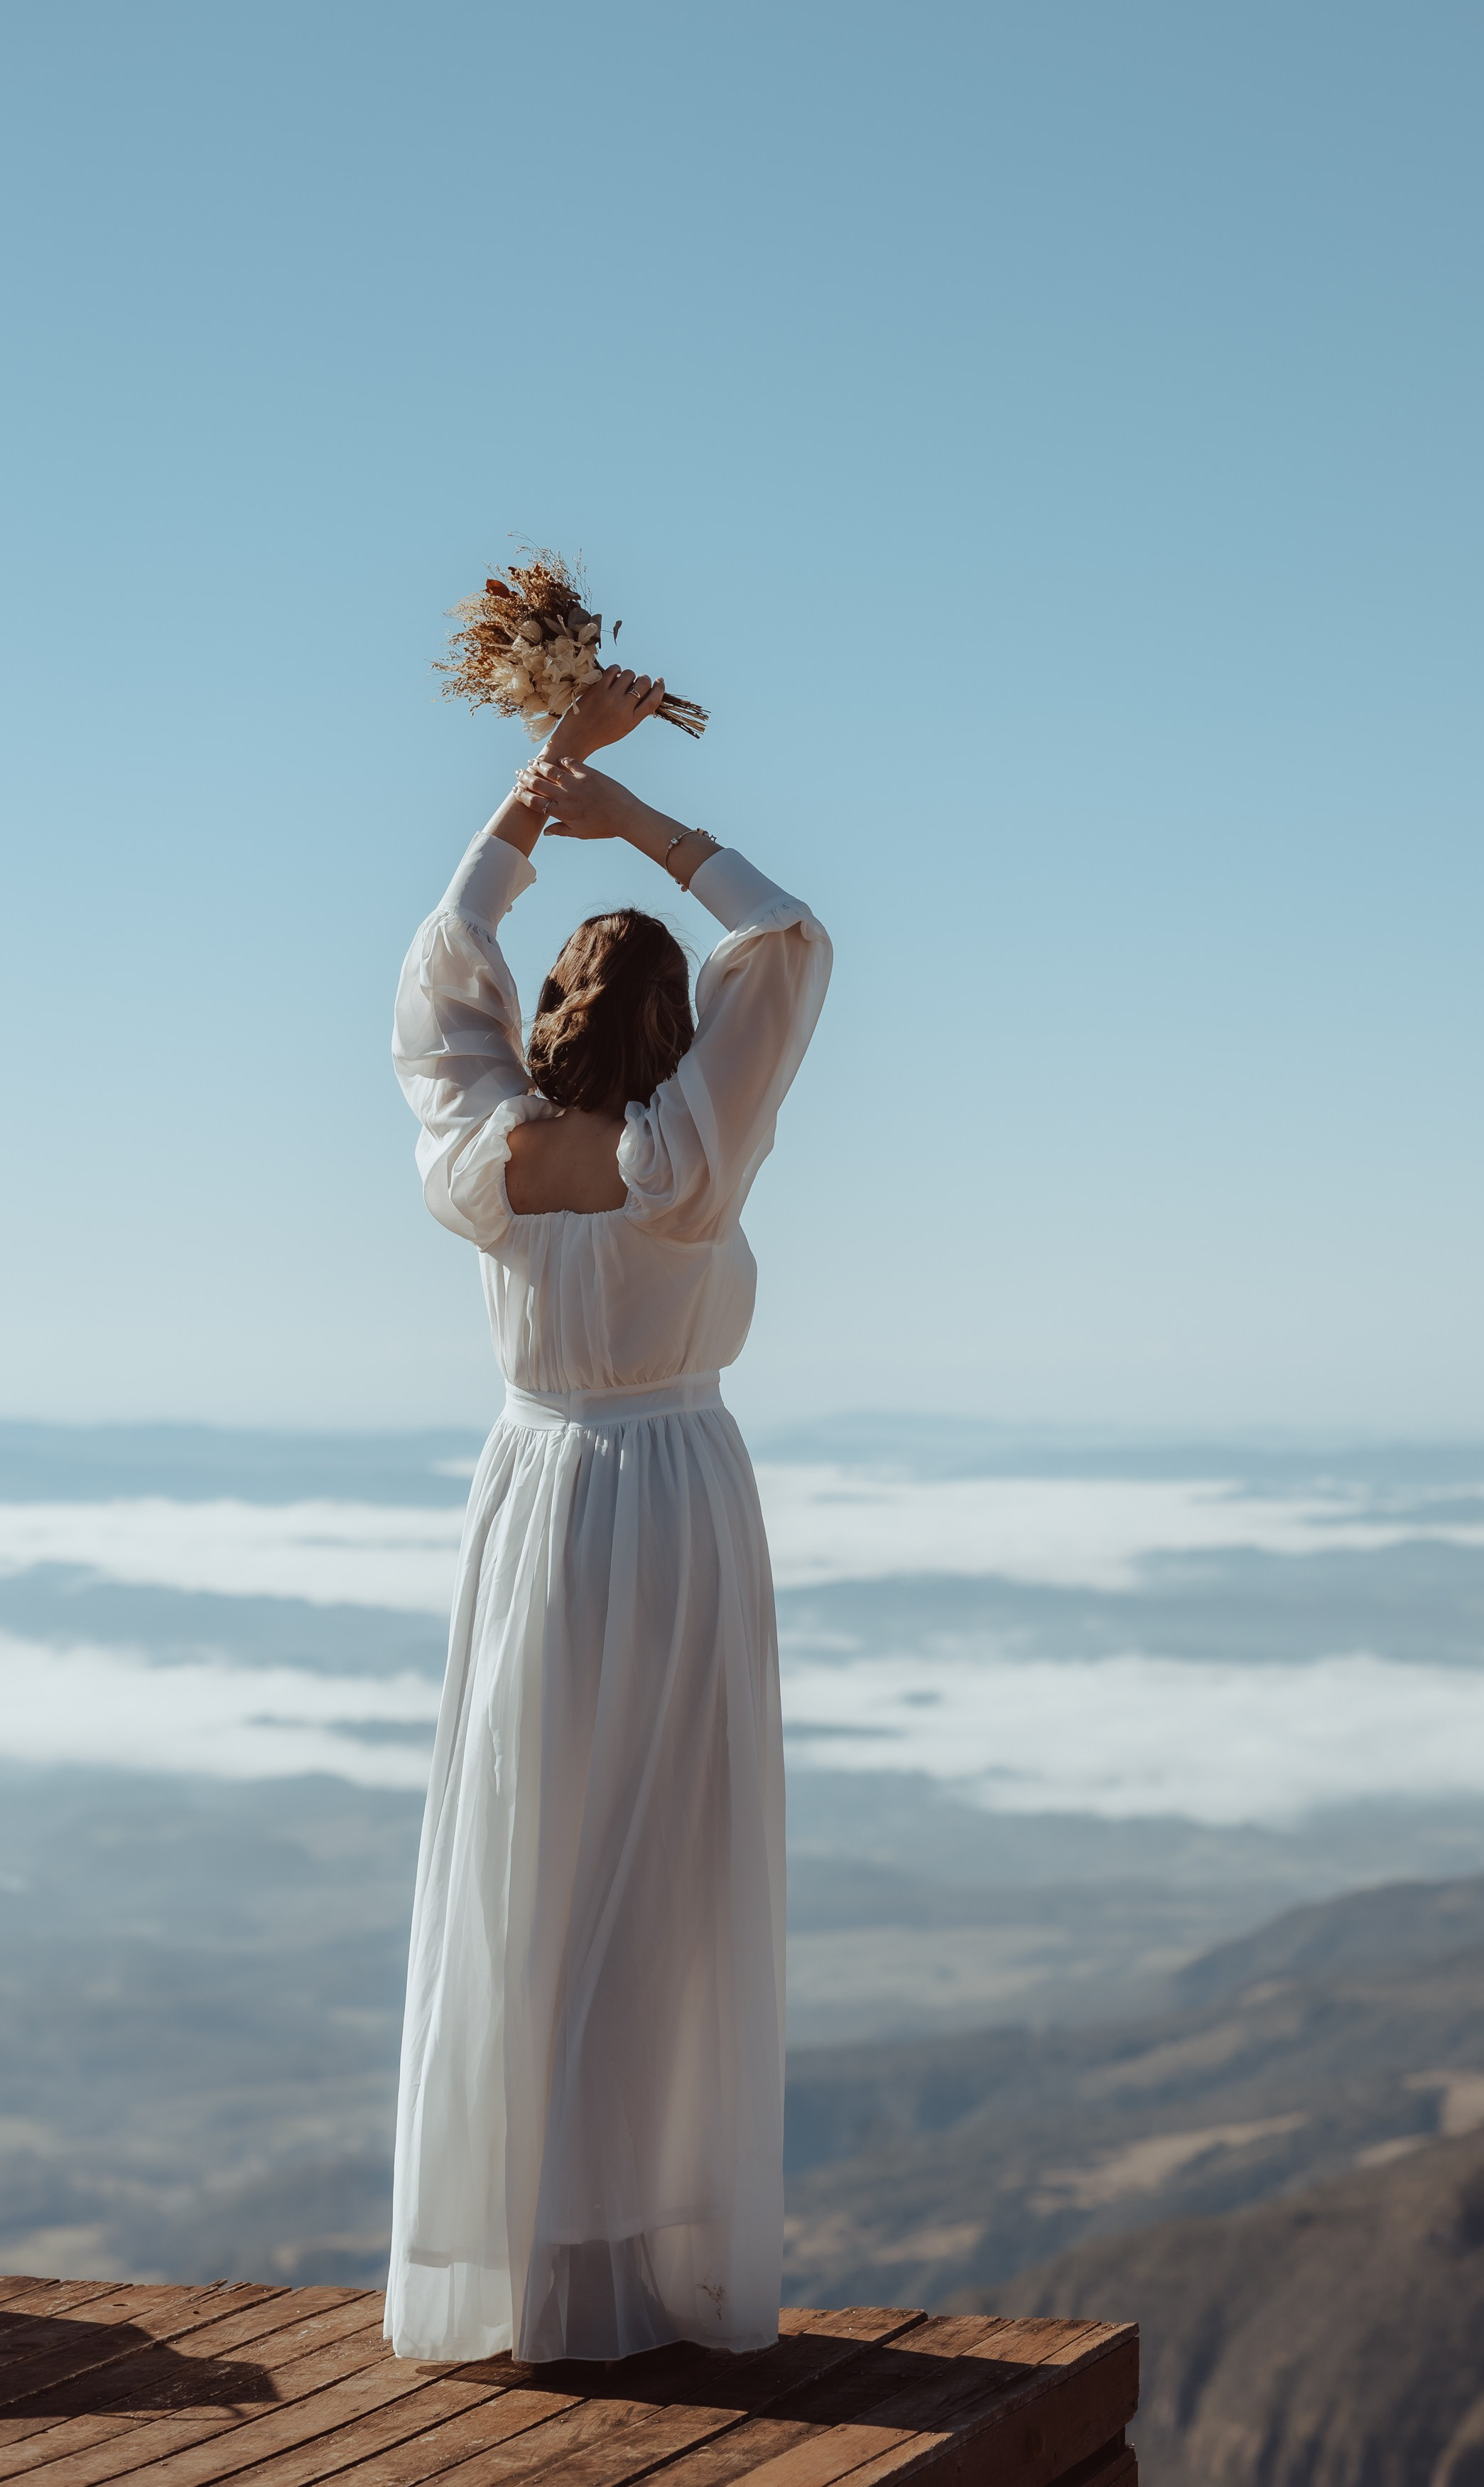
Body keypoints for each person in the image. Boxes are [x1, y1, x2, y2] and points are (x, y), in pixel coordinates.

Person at [384, 668, 832, 2365]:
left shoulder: (484, 1169)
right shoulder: (689, 1166)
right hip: (678, 1503)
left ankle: (526, 2249)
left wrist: (535, 794)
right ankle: (641, 2248)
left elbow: (444, 965)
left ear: (551, 1022)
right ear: (672, 1032)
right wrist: (634, 816)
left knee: (530, 1859)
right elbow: (784, 943)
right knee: (666, 1874)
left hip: (535, 1504)